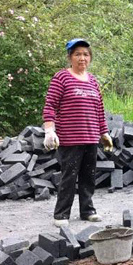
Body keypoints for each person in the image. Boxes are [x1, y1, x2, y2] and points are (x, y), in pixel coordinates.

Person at [43, 39, 113, 227]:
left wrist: (104, 133)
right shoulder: (62, 78)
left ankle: (87, 211)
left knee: (88, 176)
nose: (82, 58)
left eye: (86, 54)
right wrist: (49, 130)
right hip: (70, 139)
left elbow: (99, 109)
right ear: (70, 57)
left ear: (90, 58)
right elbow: (50, 105)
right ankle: (61, 214)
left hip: (90, 138)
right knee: (69, 176)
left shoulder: (93, 81)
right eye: (77, 54)